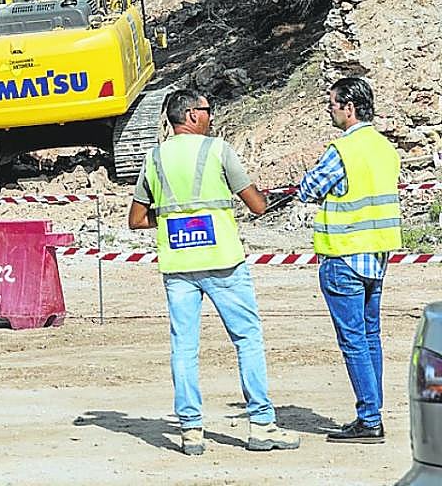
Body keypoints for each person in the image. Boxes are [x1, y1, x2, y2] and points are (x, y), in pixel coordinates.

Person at [128, 89, 299, 456]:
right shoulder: (218, 150)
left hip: (178, 265)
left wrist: (176, 220)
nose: (210, 116)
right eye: (207, 110)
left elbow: (137, 219)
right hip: (223, 262)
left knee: (184, 348)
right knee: (247, 340)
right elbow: (256, 205)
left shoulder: (154, 158)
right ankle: (262, 425)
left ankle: (191, 431)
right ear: (190, 115)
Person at [298, 76, 401, 444]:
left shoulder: (343, 149)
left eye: (333, 103)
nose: (329, 109)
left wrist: (300, 185)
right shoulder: (385, 148)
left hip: (344, 256)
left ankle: (370, 418)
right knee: (371, 337)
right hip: (377, 256)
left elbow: (310, 189)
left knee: (354, 340)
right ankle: (373, 412)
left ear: (349, 108)